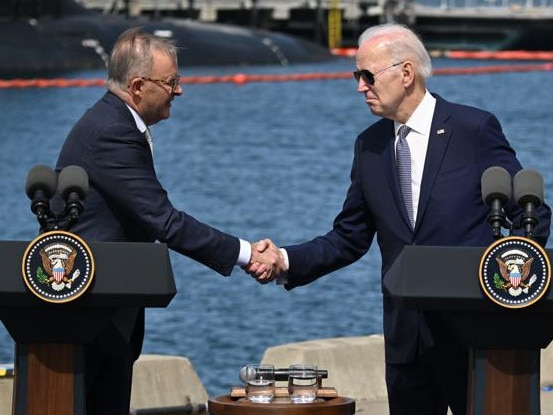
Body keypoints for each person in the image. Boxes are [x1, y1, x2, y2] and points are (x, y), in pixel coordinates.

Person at [247, 23, 551, 415]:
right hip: (407, 341)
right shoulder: (370, 146)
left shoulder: (473, 130)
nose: (360, 86)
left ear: (406, 73)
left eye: (367, 75)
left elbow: (531, 217)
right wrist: (285, 260)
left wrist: (506, 290)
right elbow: (349, 237)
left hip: (476, 337)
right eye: (357, 75)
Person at [55, 28, 280, 415]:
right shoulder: (111, 132)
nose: (180, 91)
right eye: (172, 81)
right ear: (139, 86)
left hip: (106, 312)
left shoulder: (115, 122)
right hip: (91, 316)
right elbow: (165, 222)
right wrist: (246, 254)